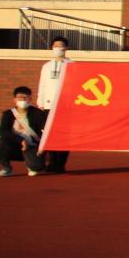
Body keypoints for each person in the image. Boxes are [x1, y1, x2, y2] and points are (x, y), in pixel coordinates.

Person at [0, 86, 46, 177]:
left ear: (30, 99)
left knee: (36, 167)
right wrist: (20, 140)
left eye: (26, 97)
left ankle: (32, 165)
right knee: (0, 143)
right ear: (14, 100)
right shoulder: (8, 114)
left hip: (32, 145)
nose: (23, 100)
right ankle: (6, 168)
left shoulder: (37, 113)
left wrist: (43, 146)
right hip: (15, 145)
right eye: (20, 97)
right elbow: (3, 132)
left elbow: (45, 129)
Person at [36, 36, 70, 173]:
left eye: (61, 46)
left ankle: (60, 164)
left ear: (66, 48)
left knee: (64, 136)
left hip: (65, 106)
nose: (58, 48)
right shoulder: (46, 66)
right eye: (55, 46)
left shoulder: (72, 65)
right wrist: (41, 101)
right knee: (50, 135)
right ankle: (51, 163)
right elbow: (42, 85)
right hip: (49, 106)